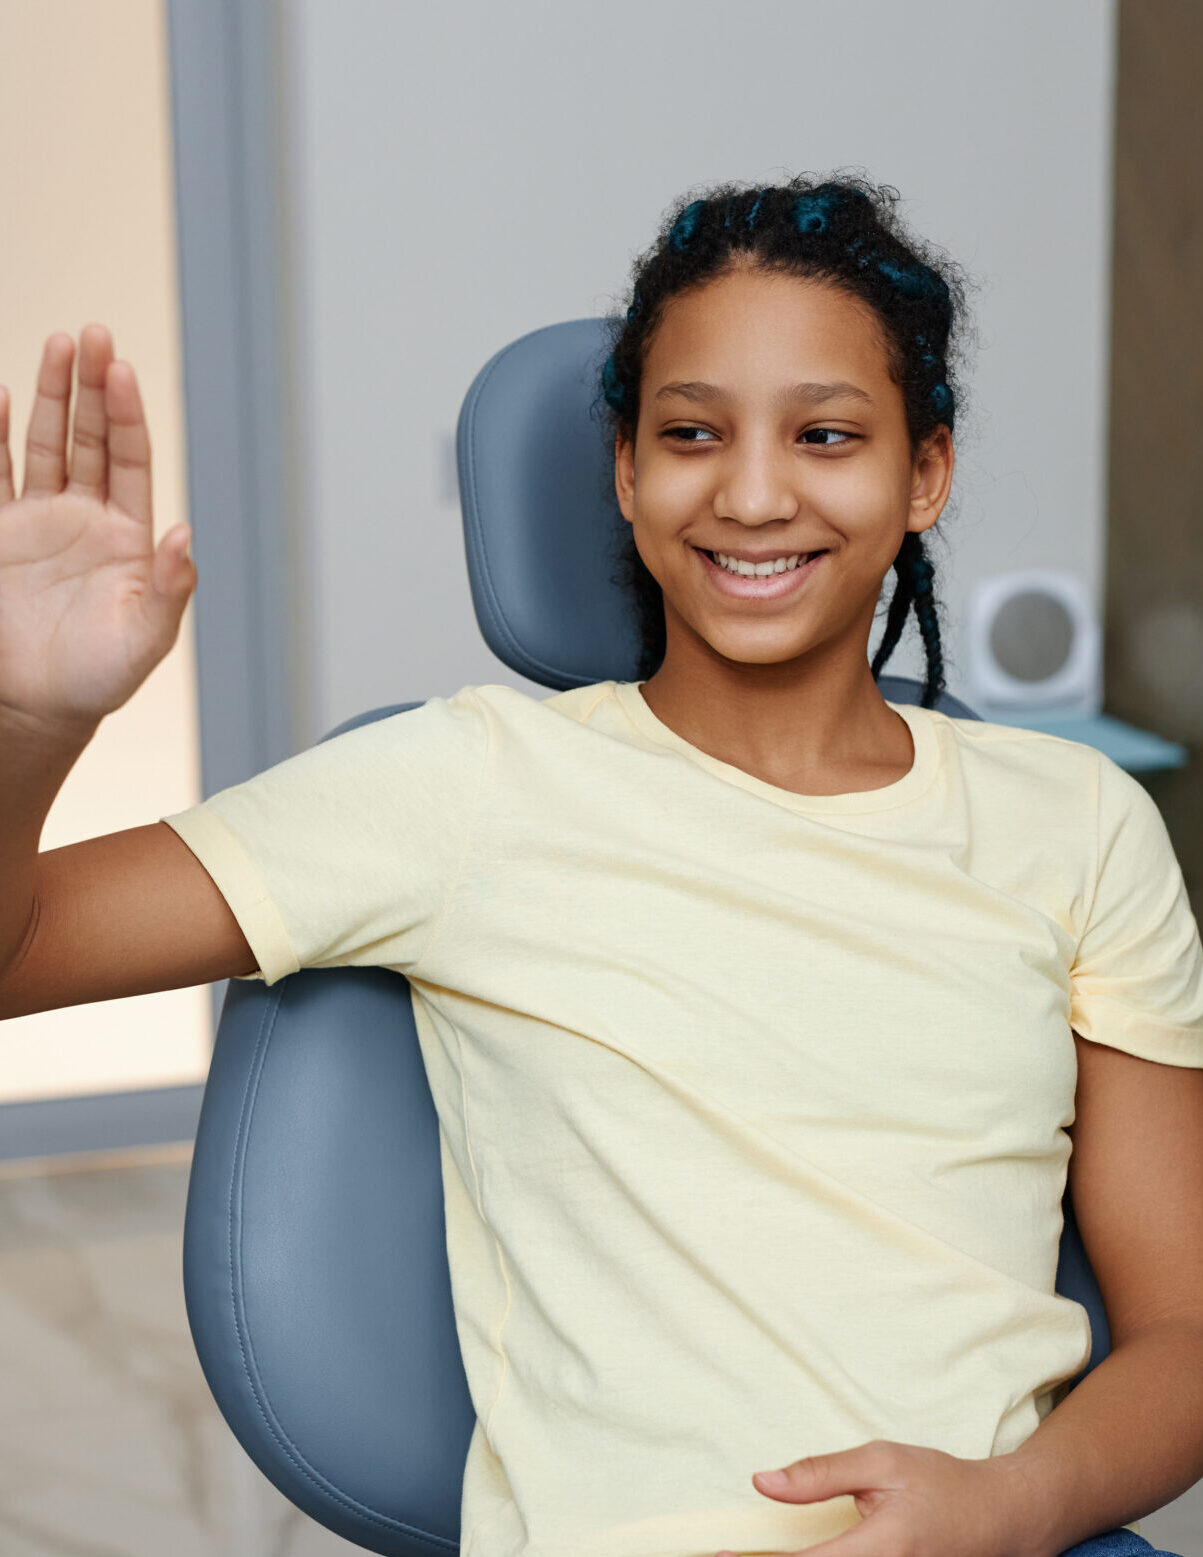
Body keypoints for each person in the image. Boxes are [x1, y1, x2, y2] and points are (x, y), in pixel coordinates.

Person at [0, 173, 1200, 1557]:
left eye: (825, 433)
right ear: (627, 471)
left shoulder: (1079, 819)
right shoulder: (465, 784)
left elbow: (1184, 1331)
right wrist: (29, 724)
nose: (754, 493)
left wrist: (1013, 1504)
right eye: (692, 433)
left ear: (924, 470)